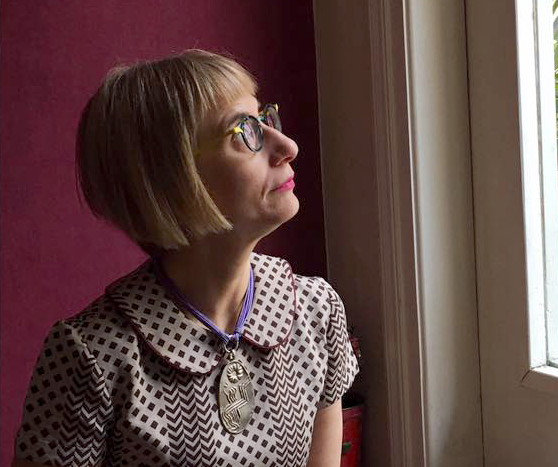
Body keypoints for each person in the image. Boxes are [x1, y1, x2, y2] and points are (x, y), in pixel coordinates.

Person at [12, 49, 359, 467]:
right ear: (173, 177)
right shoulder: (94, 357)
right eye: (244, 131)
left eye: (265, 119)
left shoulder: (316, 314)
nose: (288, 146)